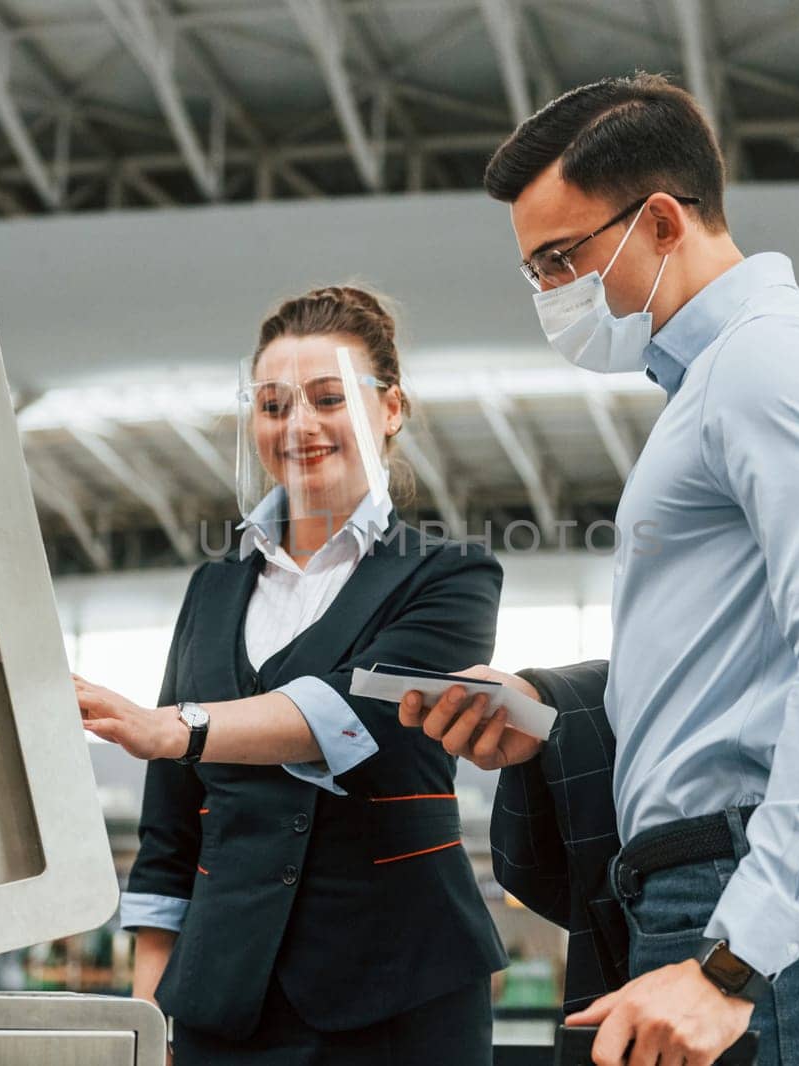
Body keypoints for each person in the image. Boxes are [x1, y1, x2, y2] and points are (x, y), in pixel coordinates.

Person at [399, 73, 799, 1066]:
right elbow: (733, 674)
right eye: (533, 272)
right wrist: (543, 707)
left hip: (743, 903)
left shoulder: (775, 361)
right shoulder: (718, 383)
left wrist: (735, 959)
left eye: (560, 257)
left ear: (657, 221)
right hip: (715, 895)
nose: (550, 293)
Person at [77, 285, 508, 1065]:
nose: (299, 425)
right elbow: (171, 826)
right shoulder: (213, 591)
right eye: (274, 405)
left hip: (402, 997)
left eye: (327, 398)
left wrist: (178, 727)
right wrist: (151, 1016)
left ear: (390, 409)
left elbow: (361, 714)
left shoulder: (450, 575)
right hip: (222, 1002)